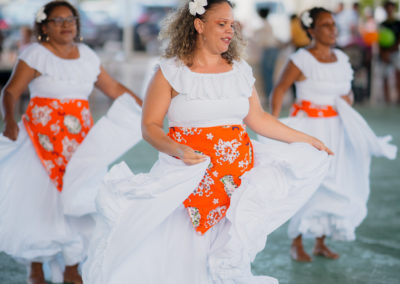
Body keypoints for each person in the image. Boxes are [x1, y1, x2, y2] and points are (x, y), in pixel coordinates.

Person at [83, 1, 334, 283]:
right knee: (185, 259)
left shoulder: (239, 69)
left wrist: (308, 139)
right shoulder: (170, 72)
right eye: (221, 24)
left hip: (237, 180)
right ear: (199, 25)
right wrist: (175, 148)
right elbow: (150, 127)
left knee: (227, 255)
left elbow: (259, 119)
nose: (230, 31)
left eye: (232, 24)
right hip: (189, 178)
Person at [0, 1, 142, 284]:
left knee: (80, 198)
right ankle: (36, 265)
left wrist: (145, 106)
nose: (66, 25)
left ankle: (72, 265)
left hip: (79, 143)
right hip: (41, 140)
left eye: (70, 19)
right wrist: (11, 120)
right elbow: (11, 91)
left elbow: (113, 88)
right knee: (42, 203)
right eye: (58, 20)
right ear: (44, 26)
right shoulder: (35, 55)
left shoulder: (87, 56)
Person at [266, 7, 397, 262]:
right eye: (326, 25)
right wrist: (273, 123)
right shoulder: (301, 59)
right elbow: (279, 89)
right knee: (308, 183)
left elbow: (347, 93)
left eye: (334, 25)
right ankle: (296, 241)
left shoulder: (341, 58)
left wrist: (346, 100)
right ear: (311, 30)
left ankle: (320, 242)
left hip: (338, 129)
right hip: (310, 130)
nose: (333, 30)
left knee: (337, 181)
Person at [254, 7, 281, 100]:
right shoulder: (268, 25)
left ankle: (270, 97)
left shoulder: (264, 26)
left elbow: (261, 41)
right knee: (269, 75)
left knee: (267, 75)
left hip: (269, 51)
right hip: (271, 50)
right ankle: (271, 96)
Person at [379, 0, 400, 104]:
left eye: (391, 7)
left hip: (395, 52)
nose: (389, 9)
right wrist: (383, 53)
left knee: (398, 74)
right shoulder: (382, 24)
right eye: (387, 7)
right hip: (384, 54)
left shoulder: (397, 23)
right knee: (385, 76)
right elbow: (379, 40)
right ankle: (387, 99)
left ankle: (398, 97)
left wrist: (390, 51)